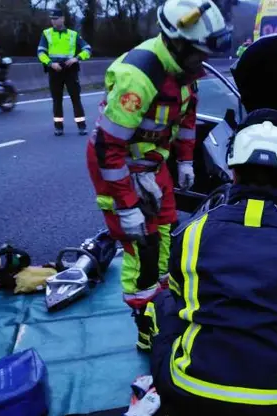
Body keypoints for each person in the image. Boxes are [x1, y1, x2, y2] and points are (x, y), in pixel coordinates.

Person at [143, 108, 277, 416]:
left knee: (162, 307)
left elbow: (181, 302)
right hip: (275, 409)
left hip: (189, 398)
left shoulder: (190, 232)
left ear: (232, 172)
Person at [85, 0, 232, 350]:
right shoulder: (139, 76)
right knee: (142, 248)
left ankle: (161, 305)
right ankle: (145, 327)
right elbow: (108, 147)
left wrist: (184, 162)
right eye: (199, 53)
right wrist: (126, 205)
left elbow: (186, 122)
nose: (204, 62)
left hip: (152, 165)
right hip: (119, 169)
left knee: (164, 233)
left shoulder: (185, 73)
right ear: (177, 43)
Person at [36, 9, 92, 136]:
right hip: (54, 69)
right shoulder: (46, 33)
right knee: (57, 100)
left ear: (63, 19)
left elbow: (87, 49)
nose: (54, 21)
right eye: (52, 19)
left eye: (56, 18)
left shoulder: (73, 34)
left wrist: (76, 58)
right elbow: (40, 52)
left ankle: (82, 126)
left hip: (70, 69)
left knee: (75, 98)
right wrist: (50, 63)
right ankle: (58, 127)